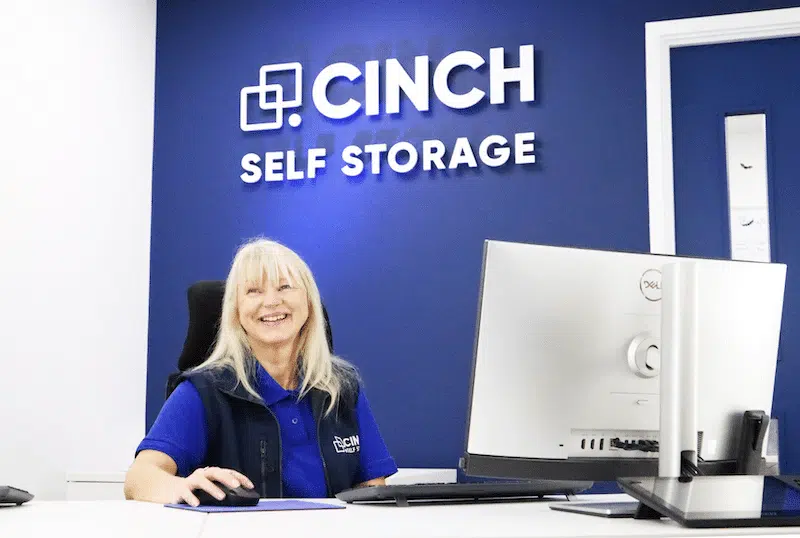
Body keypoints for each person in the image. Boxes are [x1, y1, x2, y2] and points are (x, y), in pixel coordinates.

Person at [124, 238, 398, 505]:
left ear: (310, 302)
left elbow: (371, 488)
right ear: (236, 311)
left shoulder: (343, 387)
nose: (271, 301)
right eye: (254, 291)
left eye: (285, 286)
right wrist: (181, 487)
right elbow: (139, 478)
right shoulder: (203, 391)